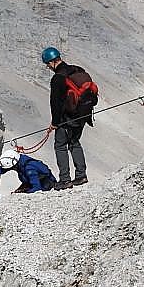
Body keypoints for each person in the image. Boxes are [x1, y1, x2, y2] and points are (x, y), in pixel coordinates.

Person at [41, 46, 96, 190]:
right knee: (74, 142)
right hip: (84, 114)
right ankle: (81, 176)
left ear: (52, 62)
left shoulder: (58, 78)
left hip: (67, 118)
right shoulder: (77, 69)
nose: (48, 67)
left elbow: (55, 103)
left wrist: (55, 123)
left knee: (60, 146)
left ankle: (65, 180)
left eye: (47, 64)